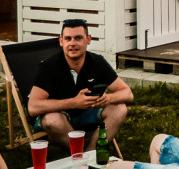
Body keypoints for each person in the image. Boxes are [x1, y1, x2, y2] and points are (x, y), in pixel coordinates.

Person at [27, 19, 133, 150]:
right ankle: (79, 154)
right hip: (58, 116)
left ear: (88, 39)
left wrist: (108, 98)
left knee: (120, 109)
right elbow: (32, 107)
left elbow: (128, 93)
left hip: (87, 113)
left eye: (78, 38)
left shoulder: (96, 62)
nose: (72, 44)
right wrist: (73, 102)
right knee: (52, 120)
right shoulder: (49, 67)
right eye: (68, 39)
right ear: (61, 41)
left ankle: (91, 154)